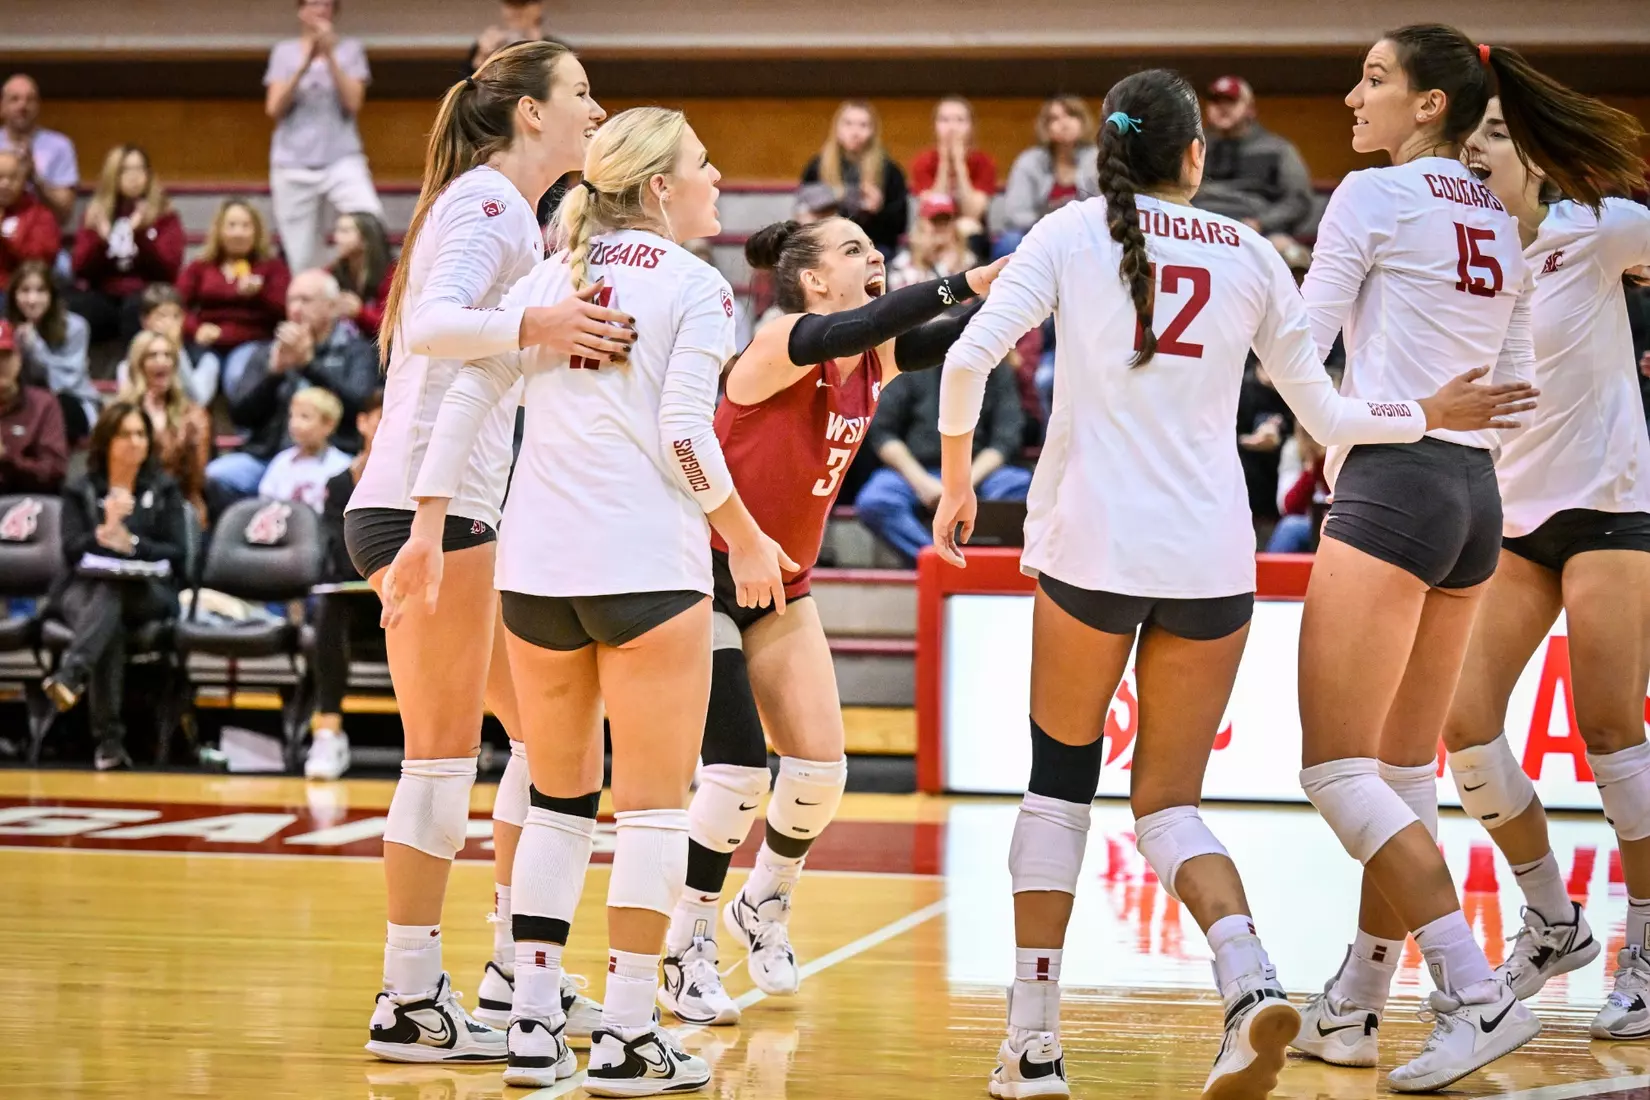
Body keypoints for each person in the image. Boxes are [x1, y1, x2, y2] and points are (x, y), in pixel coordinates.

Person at [927, 68, 1537, 1100]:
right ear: (1196, 159)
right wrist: (1425, 408)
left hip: (1093, 550)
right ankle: (1248, 975)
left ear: (1112, 153)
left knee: (1058, 783)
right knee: (1169, 805)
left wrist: (954, 482)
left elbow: (964, 363)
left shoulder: (1071, 231)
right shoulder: (1253, 251)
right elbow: (1334, 417)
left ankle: (1032, 1039)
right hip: (1214, 561)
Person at [393, 106, 791, 1095]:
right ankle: (624, 1031)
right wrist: (743, 534)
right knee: (655, 810)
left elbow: (465, 397)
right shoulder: (698, 287)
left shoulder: (547, 277)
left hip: (534, 572)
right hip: (645, 567)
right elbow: (687, 435)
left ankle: (531, 1021)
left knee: (559, 800)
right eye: (704, 162)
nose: (717, 175)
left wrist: (429, 524)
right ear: (659, 187)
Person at [1284, 26, 1644, 1091]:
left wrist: (1395, 411)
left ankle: (1472, 991)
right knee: (1402, 771)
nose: (1356, 96)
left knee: (1336, 768)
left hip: (1397, 484)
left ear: (1430, 103)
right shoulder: (1497, 215)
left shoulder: (1370, 197)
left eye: (1377, 78)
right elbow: (1517, 377)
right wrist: (1442, 418)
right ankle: (1354, 1001)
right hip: (1480, 501)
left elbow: (1305, 369)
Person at [343, 40, 621, 1064]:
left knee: (555, 746)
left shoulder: (515, 211)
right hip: (428, 511)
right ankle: (409, 994)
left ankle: (515, 967)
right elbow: (436, 328)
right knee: (441, 757)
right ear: (531, 113)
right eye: (582, 94)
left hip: (462, 513)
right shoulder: (489, 203)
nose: (597, 110)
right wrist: (539, 318)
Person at [657, 217, 1005, 1026]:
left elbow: (950, 340)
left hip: (785, 579)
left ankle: (762, 906)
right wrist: (970, 276)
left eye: (873, 249)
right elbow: (879, 321)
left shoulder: (868, 363)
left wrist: (1033, 295)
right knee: (739, 773)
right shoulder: (778, 341)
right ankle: (685, 946)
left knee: (818, 772)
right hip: (701, 567)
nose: (874, 258)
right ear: (813, 281)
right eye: (853, 250)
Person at [1429, 95, 1650, 1039]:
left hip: (1608, 506)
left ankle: (1644, 942)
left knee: (1609, 729)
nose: (1475, 149)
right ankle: (1554, 920)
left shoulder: (1595, 232)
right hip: (1514, 520)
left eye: (1492, 136)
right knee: (1463, 726)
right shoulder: (1459, 262)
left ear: (1533, 156)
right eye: (1467, 138)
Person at [41, 401, 187, 771]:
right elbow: (72, 550)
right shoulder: (81, 488)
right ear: (106, 441)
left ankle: (72, 677)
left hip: (147, 593)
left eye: (141, 434)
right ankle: (109, 745)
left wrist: (132, 544)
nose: (135, 442)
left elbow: (178, 553)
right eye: (125, 435)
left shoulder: (163, 488)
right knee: (109, 612)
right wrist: (104, 535)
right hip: (83, 591)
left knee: (114, 595)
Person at [207, 269, 377, 514]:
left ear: (331, 307)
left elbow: (360, 407)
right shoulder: (268, 352)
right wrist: (273, 374)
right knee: (218, 475)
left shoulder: (356, 351)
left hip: (332, 458)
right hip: (270, 458)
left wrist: (309, 366)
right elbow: (240, 416)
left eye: (306, 300)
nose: (296, 308)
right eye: (291, 300)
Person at [855, 349, 1029, 567]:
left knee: (1020, 487)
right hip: (918, 471)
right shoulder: (911, 365)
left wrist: (962, 484)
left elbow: (1006, 439)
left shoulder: (997, 370)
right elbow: (882, 432)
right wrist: (922, 483)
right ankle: (942, 565)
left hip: (979, 473)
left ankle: (982, 563)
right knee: (876, 500)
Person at [265, 0, 385, 274]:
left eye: (328, 5)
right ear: (301, 11)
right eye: (314, 3)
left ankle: (374, 295)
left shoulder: (350, 50)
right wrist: (305, 64)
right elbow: (274, 108)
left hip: (341, 157)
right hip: (292, 162)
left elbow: (353, 103)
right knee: (301, 253)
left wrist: (329, 56)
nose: (321, 10)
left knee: (370, 221)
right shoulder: (284, 52)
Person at [307, 387, 383, 781]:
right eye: (379, 415)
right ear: (362, 422)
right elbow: (334, 555)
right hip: (358, 601)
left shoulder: (422, 479)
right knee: (330, 605)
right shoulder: (339, 484)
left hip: (409, 603)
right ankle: (328, 731)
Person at [69, 146, 186, 346]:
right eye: (126, 170)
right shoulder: (96, 214)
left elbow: (169, 270)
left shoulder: (164, 215)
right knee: (77, 307)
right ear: (113, 175)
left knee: (136, 308)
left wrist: (141, 236)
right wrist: (101, 242)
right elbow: (80, 269)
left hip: (146, 293)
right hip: (105, 294)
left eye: (140, 170)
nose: (134, 177)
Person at [177, 199, 291, 400]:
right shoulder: (200, 266)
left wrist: (261, 293)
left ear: (256, 231)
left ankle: (245, 428)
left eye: (246, 226)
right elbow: (175, 305)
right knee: (200, 376)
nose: (238, 233)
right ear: (219, 230)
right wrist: (195, 329)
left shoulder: (272, 268)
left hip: (252, 343)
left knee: (237, 375)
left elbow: (287, 310)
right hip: (207, 345)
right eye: (232, 226)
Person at [1191, 76, 1316, 240]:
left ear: (1250, 109)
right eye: (1215, 101)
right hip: (1197, 228)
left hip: (1258, 230)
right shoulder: (1192, 147)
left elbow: (1298, 201)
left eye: (1231, 101)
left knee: (1293, 256)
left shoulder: (1278, 149)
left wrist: (1261, 223)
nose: (1222, 108)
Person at [120, 331, 210, 525]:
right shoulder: (120, 413)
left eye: (168, 355)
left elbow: (196, 480)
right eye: (153, 355)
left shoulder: (193, 415)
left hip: (178, 504)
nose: (162, 361)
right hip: (128, 504)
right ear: (139, 364)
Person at [800, 101, 910, 257]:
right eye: (848, 124)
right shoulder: (817, 167)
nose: (855, 132)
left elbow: (900, 226)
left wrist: (878, 211)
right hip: (826, 246)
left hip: (874, 247)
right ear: (836, 128)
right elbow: (802, 212)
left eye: (863, 125)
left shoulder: (889, 170)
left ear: (873, 131)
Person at [8, 261, 98, 443]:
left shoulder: (76, 327)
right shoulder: (7, 330)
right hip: (25, 406)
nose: (32, 300)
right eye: (25, 291)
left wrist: (35, 347)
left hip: (72, 403)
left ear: (52, 295)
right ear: (14, 296)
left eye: (41, 291)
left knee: (54, 406)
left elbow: (65, 382)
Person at [999, 96, 1098, 257]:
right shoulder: (1029, 161)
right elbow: (1015, 213)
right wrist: (1052, 227)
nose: (1064, 123)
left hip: (1086, 234)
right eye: (1055, 118)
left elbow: (1106, 208)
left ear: (1083, 121)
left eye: (1071, 115)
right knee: (1010, 241)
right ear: (1046, 127)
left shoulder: (1097, 160)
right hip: (1038, 234)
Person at [908, 96, 998, 247]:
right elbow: (933, 210)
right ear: (934, 126)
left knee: (966, 226)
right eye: (944, 120)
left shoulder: (985, 163)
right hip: (932, 228)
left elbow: (973, 212)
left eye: (960, 120)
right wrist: (944, 162)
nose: (952, 127)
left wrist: (959, 164)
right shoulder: (923, 162)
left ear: (971, 127)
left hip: (970, 230)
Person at [0, 317, 67, 494]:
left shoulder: (43, 404)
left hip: (25, 506)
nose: (1, 365)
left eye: (5, 356)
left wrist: (7, 458)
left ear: (19, 359)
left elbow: (55, 472)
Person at [257, 387, 351, 512]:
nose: (295, 424)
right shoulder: (281, 461)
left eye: (305, 417)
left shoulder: (342, 466)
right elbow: (264, 502)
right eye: (292, 416)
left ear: (328, 425)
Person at [0, 74, 78, 224]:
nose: (22, 106)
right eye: (14, 99)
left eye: (30, 99)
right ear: (2, 106)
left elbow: (64, 214)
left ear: (38, 106)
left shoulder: (60, 146)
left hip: (43, 237)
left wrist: (34, 178)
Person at [115, 285, 210, 406]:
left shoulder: (204, 359)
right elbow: (128, 401)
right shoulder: (127, 364)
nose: (170, 324)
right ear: (145, 321)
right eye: (162, 316)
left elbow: (196, 400)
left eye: (176, 316)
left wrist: (177, 350)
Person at [888, 193, 979, 290]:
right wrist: (940, 268)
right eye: (935, 221)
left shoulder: (967, 259)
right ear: (922, 225)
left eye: (946, 221)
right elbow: (906, 301)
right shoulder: (902, 264)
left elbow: (978, 298)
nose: (941, 227)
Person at [0, 149, 62, 292]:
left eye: (13, 178)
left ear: (24, 181)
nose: (5, 184)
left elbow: (41, 261)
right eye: (0, 177)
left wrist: (6, 240)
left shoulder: (40, 215)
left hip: (19, 291)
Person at [329, 211, 393, 338]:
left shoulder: (392, 274)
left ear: (365, 239)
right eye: (337, 231)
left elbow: (393, 327)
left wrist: (360, 313)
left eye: (345, 231)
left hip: (380, 348)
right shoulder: (333, 271)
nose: (336, 238)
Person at [470, 0, 554, 71]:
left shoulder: (556, 48)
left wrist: (537, 47)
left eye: (522, 5)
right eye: (510, 5)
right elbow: (463, 86)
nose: (515, 11)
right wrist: (482, 58)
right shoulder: (484, 46)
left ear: (538, 8)